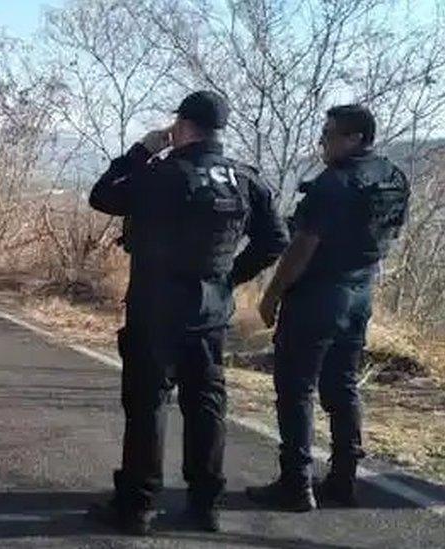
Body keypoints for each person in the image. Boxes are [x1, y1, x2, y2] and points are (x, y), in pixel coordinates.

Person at [87, 91, 289, 535]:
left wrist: (142, 150)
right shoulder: (243, 178)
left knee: (147, 407)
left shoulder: (163, 174)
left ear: (182, 126)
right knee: (206, 407)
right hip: (210, 313)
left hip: (155, 311)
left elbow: (102, 196)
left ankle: (137, 507)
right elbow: (275, 239)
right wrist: (229, 278)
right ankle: (205, 506)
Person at [247, 105, 410, 511]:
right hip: (360, 291)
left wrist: (272, 293)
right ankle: (342, 480)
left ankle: (296, 484)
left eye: (329, 134)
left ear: (355, 138)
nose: (322, 142)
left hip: (319, 294)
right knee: (342, 386)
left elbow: (303, 246)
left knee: (296, 387)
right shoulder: (392, 177)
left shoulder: (333, 184)